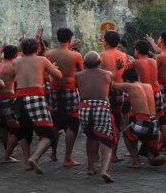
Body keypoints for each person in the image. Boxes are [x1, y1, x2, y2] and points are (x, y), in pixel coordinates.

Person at [13, 38, 63, 174]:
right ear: (37, 48)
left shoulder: (16, 62)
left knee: (24, 133)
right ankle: (34, 158)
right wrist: (54, 68)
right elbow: (58, 75)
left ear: (22, 49)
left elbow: (13, 79)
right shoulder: (41, 60)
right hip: (36, 97)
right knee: (48, 134)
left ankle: (27, 162)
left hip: (19, 98)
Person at [113, 68, 166, 172]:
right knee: (152, 160)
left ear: (127, 80)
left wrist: (116, 68)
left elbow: (112, 83)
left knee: (126, 134)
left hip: (142, 122)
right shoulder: (148, 86)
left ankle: (136, 162)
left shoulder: (130, 86)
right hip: (155, 124)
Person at [75, 51, 115, 183]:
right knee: (106, 141)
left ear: (84, 64)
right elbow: (111, 88)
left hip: (84, 107)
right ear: (100, 63)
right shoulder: (108, 74)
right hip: (101, 107)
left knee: (90, 137)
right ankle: (104, 170)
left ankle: (90, 167)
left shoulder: (78, 75)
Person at [45, 28, 83, 166]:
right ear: (70, 39)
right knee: (72, 123)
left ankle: (53, 154)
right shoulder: (75, 56)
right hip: (70, 89)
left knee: (55, 123)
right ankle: (68, 158)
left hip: (54, 89)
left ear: (57, 37)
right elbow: (81, 73)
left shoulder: (49, 54)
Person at [0, 45, 24, 163]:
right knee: (17, 129)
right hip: (7, 99)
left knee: (3, 126)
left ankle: (7, 154)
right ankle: (6, 155)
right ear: (15, 55)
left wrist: (0, 50)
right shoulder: (13, 67)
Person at [145, 32, 166, 152]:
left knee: (163, 119)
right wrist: (151, 41)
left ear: (162, 40)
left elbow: (153, 74)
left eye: (159, 38)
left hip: (160, 86)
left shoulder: (159, 57)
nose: (158, 40)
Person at [100, 30, 127, 162]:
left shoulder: (101, 56)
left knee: (102, 122)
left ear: (105, 41)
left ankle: (98, 154)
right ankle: (114, 154)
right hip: (119, 90)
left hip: (105, 91)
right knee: (116, 121)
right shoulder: (123, 55)